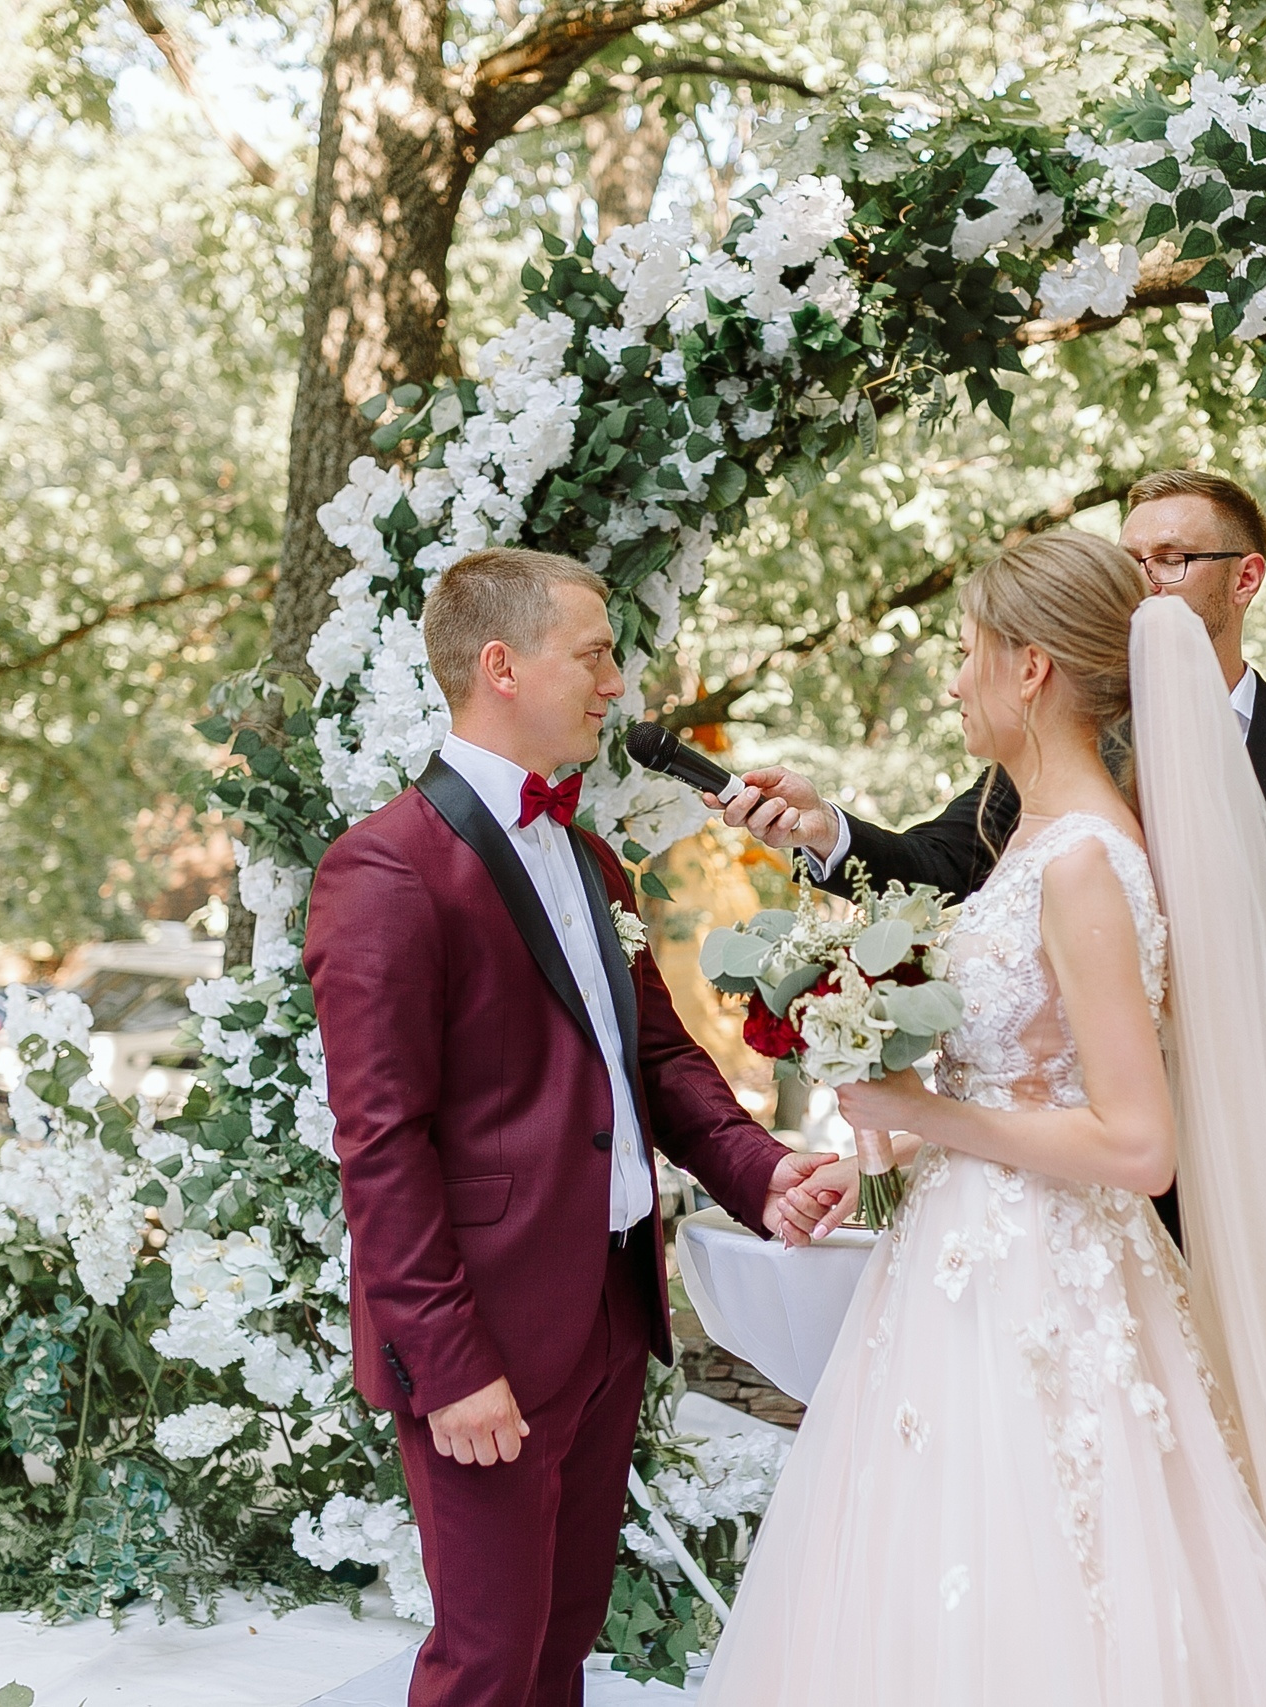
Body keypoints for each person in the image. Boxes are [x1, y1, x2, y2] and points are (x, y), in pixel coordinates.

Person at [699, 531, 1266, 1706]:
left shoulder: (1084, 862)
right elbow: (1032, 1078)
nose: (953, 678)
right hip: (966, 1267)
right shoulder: (1025, 833)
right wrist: (888, 1136)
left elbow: (1136, 1141)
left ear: (1030, 669)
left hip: (1049, 1286)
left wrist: (927, 1110)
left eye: (966, 651)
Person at [303, 548, 837, 1707]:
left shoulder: (591, 857)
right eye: (592, 654)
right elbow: (380, 1147)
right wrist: (448, 1368)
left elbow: (654, 1060)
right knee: (488, 1660)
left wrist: (768, 1168)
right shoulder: (387, 869)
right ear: (501, 664)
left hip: (604, 1308)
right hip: (483, 1331)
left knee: (560, 1639)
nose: (614, 685)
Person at [718, 469, 1266, 1103]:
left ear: (1244, 578)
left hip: (1260, 1114)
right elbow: (938, 864)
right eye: (1130, 561)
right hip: (1085, 1121)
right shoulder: (1071, 738)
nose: (1144, 581)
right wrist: (825, 830)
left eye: (1172, 560)